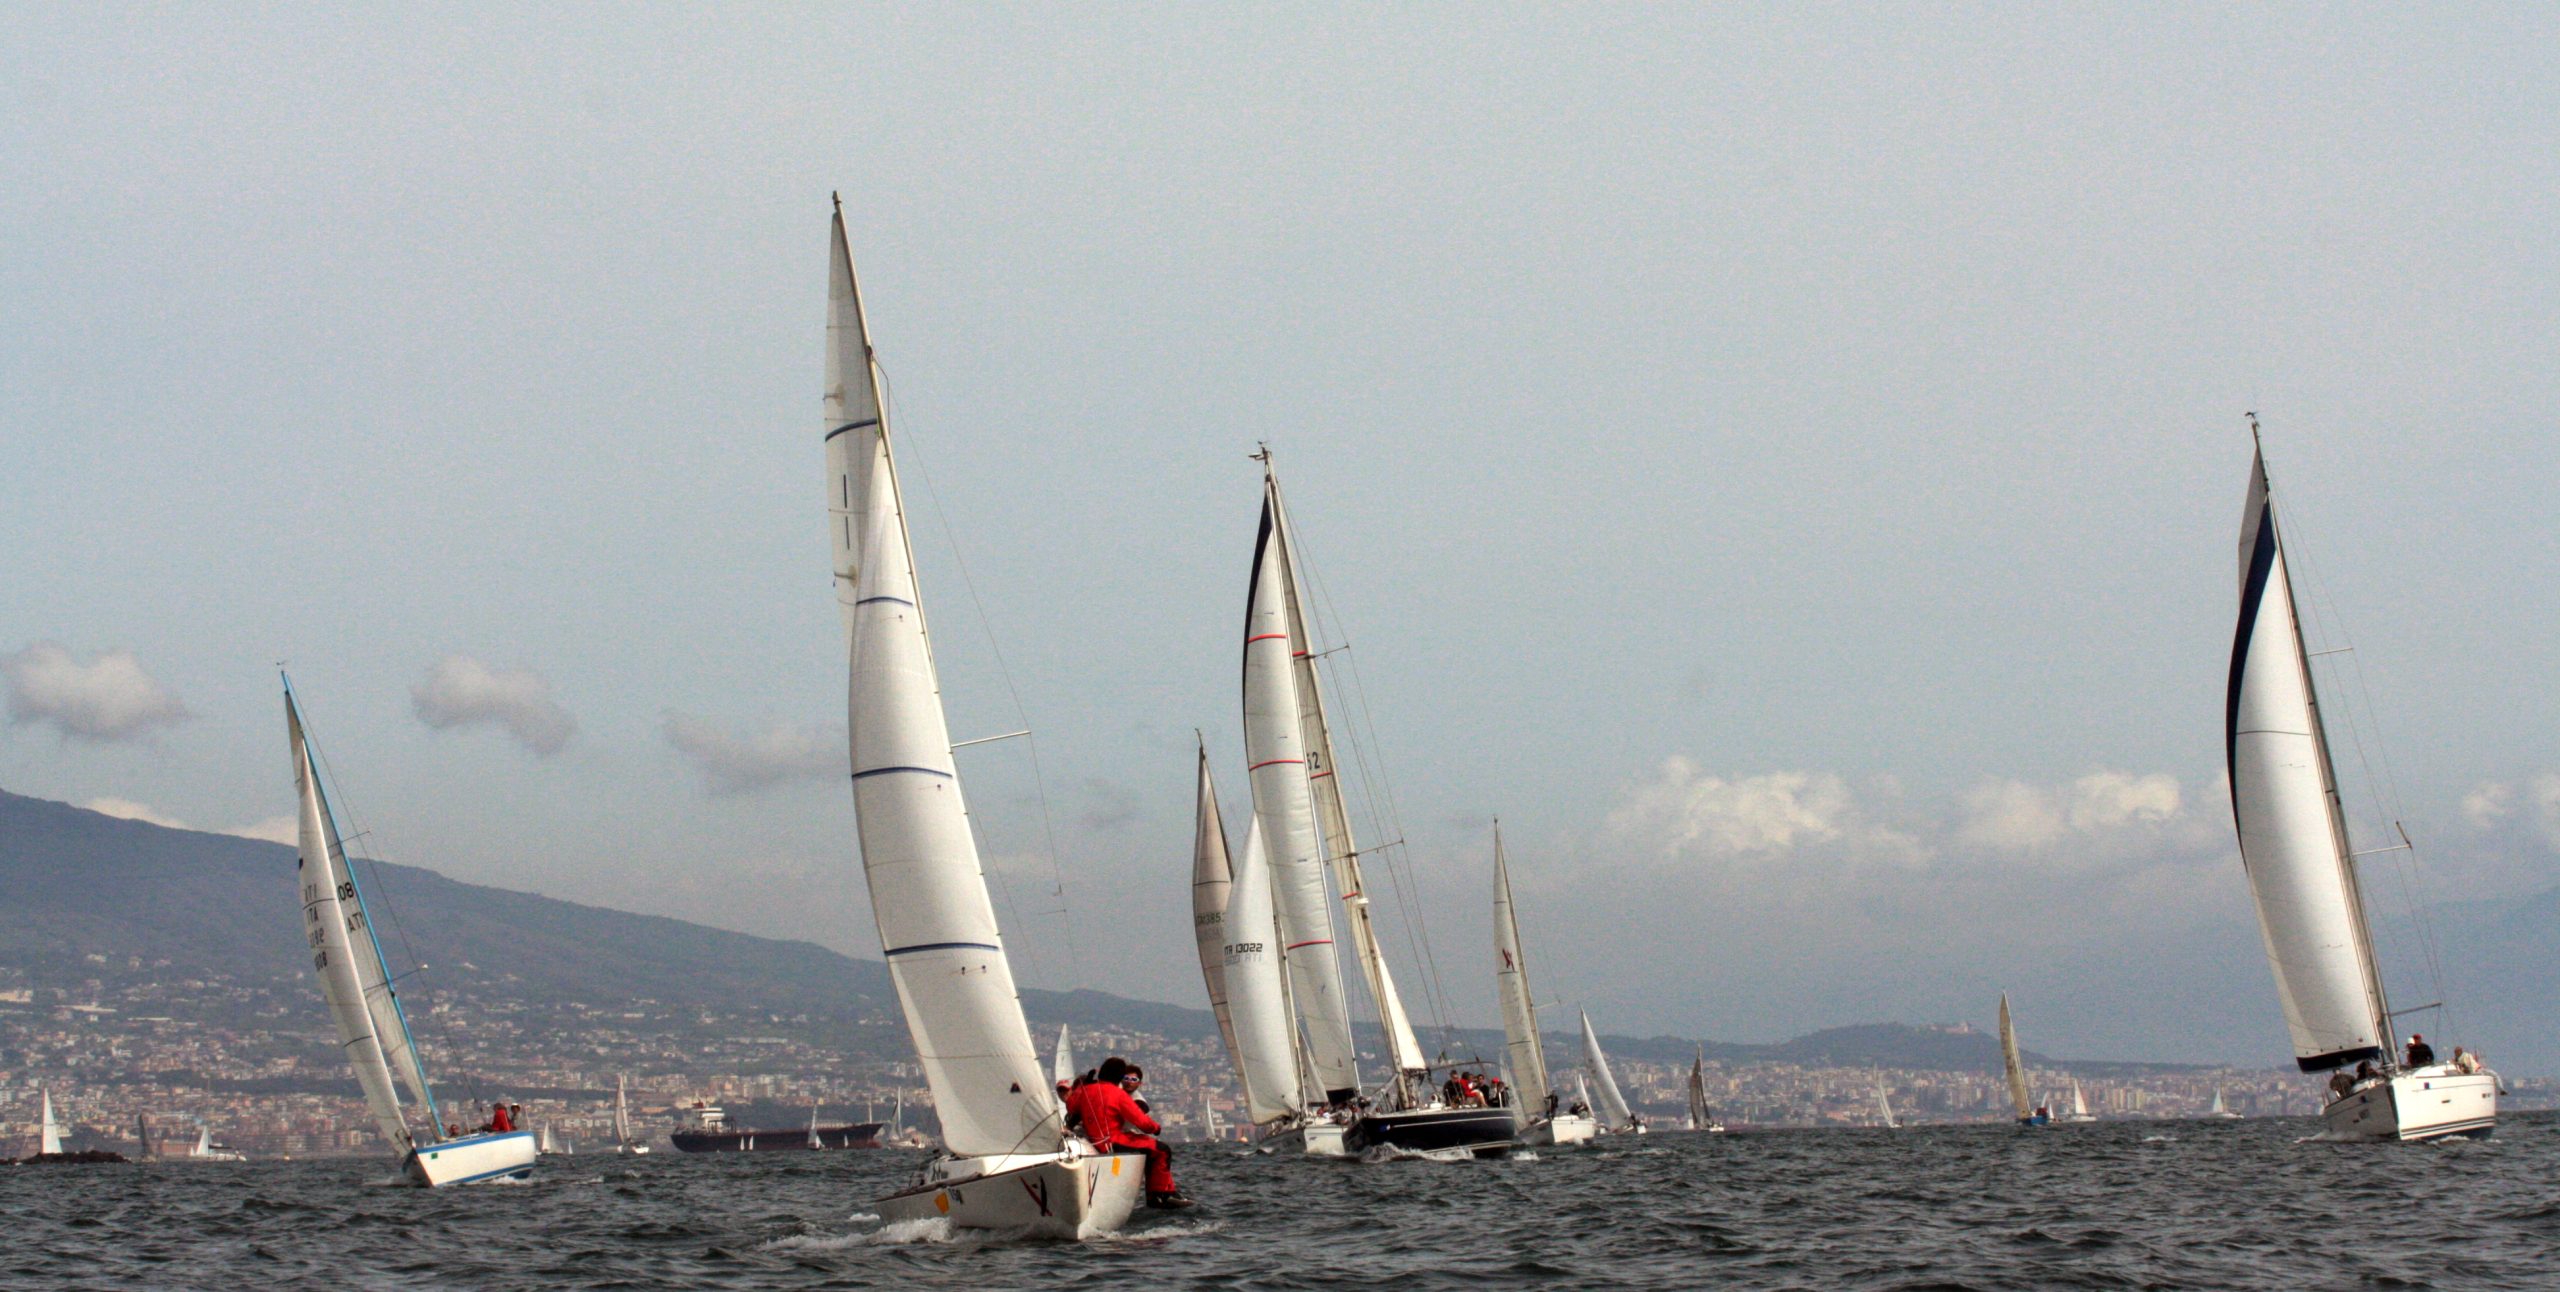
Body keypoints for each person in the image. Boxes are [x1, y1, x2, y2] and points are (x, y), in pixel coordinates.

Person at [1064, 1057, 1190, 1210]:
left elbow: (1071, 1107)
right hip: (1113, 1141)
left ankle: (1157, 1195)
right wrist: (1156, 1128)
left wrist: (1084, 1086)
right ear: (1119, 1077)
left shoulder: (1086, 1091)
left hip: (1093, 1141)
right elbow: (1142, 1121)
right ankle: (1160, 1195)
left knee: (1151, 1148)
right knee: (1162, 1150)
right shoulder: (1118, 1094)